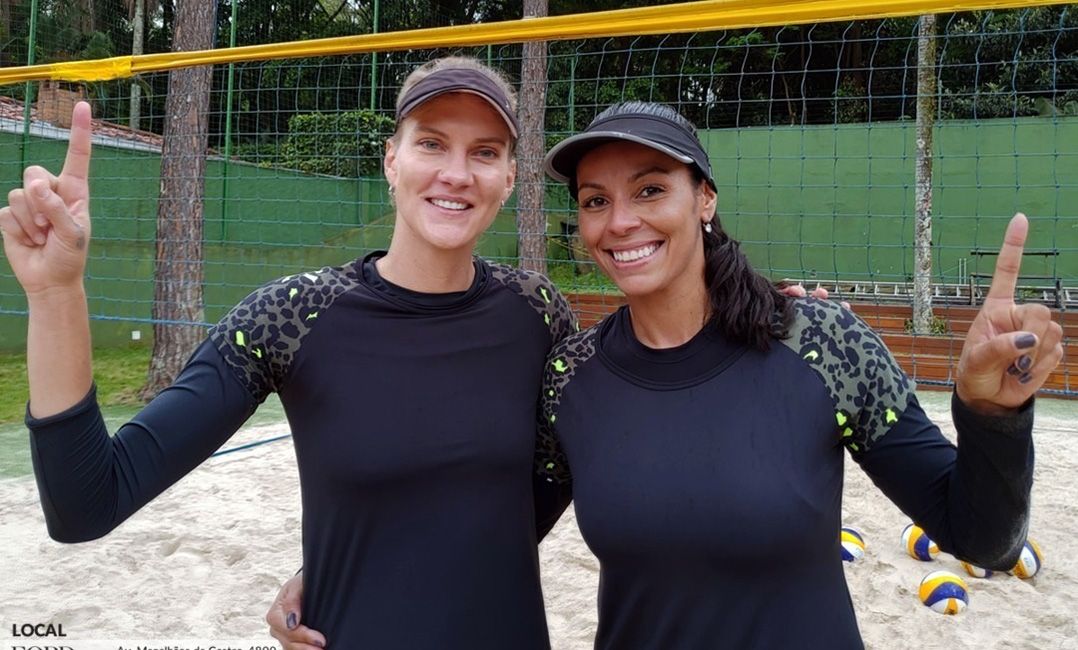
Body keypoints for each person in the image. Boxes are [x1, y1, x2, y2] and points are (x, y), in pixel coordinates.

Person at [1, 57, 580, 648]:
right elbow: (86, 505)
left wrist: (376, 559)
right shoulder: (292, 316)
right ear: (391, 159)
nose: (456, 173)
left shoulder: (536, 312)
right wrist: (55, 293)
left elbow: (557, 478)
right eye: (432, 143)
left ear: (509, 177)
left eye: (484, 152)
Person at [529, 101, 1059, 648]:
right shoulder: (572, 377)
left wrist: (993, 417)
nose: (619, 221)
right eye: (596, 200)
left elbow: (983, 540)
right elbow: (499, 538)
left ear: (704, 198)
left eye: (650, 190)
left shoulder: (824, 344)